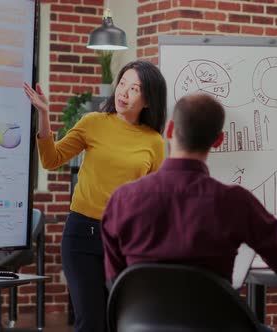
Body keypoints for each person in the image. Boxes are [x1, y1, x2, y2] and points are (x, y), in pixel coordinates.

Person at [101, 93, 277, 288]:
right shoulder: (236, 202)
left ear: (169, 130)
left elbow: (115, 282)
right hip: (213, 323)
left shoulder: (123, 199)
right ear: (218, 140)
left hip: (138, 321)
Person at [23, 60, 167, 332]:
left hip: (125, 241)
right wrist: (43, 114)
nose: (124, 92)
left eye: (134, 88)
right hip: (81, 237)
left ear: (148, 100)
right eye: (122, 83)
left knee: (120, 322)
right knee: (90, 322)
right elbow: (51, 159)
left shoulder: (154, 143)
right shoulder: (93, 123)